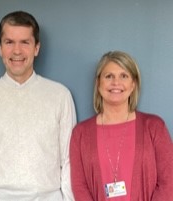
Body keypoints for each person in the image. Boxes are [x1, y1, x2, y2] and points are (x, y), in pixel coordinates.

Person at [0, 11, 77, 201]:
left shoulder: (60, 96)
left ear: (36, 48)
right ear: (0, 48)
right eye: (9, 42)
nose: (17, 51)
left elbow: (69, 161)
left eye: (25, 42)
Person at [70, 51, 173, 201]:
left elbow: (168, 182)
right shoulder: (80, 133)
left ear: (133, 84)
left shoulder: (154, 127)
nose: (116, 82)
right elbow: (79, 186)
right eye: (109, 76)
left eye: (123, 76)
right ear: (98, 83)